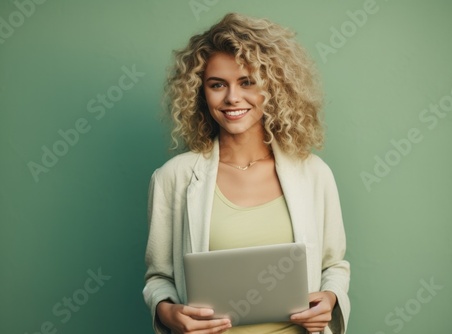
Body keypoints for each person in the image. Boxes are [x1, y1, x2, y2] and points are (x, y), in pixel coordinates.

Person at [143, 12, 350, 334]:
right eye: (217, 85)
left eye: (247, 82)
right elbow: (159, 278)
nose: (232, 98)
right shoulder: (175, 177)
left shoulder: (313, 173)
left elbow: (334, 265)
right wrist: (169, 314)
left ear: (274, 88)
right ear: (201, 92)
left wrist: (331, 298)